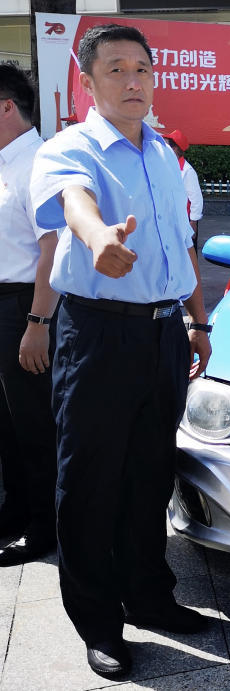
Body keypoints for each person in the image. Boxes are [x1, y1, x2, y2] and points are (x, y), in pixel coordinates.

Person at [29, 23, 212, 679]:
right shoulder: (69, 149)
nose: (133, 81)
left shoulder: (163, 154)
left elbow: (180, 245)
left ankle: (150, 597)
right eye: (116, 69)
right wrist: (97, 236)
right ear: (88, 82)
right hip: (98, 334)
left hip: (163, 333)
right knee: (90, 483)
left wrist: (198, 321)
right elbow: (73, 202)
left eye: (142, 69)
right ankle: (99, 623)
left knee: (149, 475)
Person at [0, 63, 59, 567]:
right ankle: (15, 509)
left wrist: (38, 324)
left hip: (25, 307)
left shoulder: (39, 163)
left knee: (35, 424)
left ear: (6, 107)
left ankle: (45, 523)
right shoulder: (5, 162)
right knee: (8, 422)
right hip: (4, 304)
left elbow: (52, 249)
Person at [163, 129, 203, 249]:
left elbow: (196, 199)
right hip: (170, 218)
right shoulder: (166, 165)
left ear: (175, 149)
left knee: (188, 254)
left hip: (185, 221)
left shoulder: (187, 171)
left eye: (167, 145)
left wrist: (193, 222)